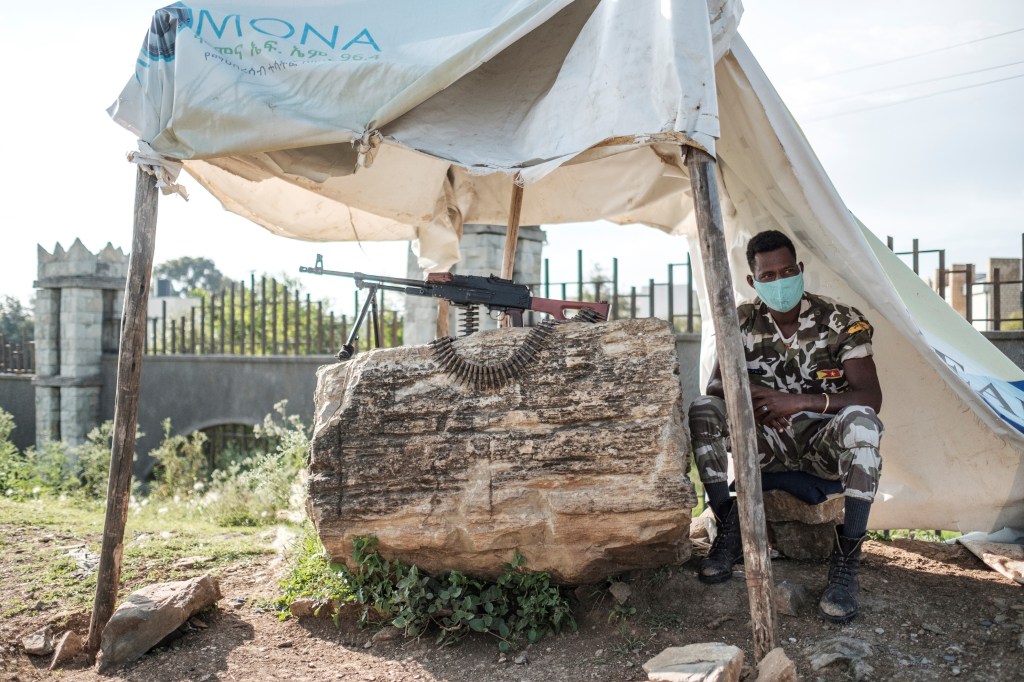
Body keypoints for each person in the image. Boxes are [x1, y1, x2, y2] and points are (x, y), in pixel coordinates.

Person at [688, 229, 883, 624]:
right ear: (753, 281)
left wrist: (800, 401)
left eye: (788, 271)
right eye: (769, 276)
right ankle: (729, 529)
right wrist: (760, 400)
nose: (781, 282)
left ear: (801, 269)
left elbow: (870, 396)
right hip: (766, 441)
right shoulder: (741, 320)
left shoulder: (841, 320)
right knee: (704, 408)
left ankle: (846, 563)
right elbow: (715, 384)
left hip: (822, 444)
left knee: (863, 423)